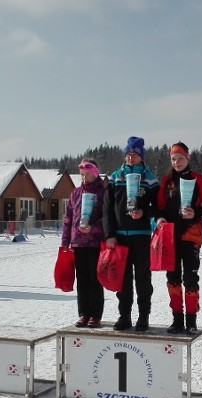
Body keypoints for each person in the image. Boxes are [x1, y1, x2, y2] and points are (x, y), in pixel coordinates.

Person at [155, 142, 202, 334]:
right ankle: (177, 319)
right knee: (172, 279)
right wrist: (159, 218)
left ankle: (191, 320)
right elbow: (159, 207)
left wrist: (196, 213)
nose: (177, 162)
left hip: (191, 237)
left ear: (187, 158)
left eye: (180, 158)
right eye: (173, 159)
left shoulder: (198, 179)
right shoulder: (166, 182)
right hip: (170, 238)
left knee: (190, 279)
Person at [103, 136, 160, 331]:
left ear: (141, 157)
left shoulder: (150, 179)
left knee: (143, 279)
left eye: (134, 155)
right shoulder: (115, 177)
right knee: (123, 280)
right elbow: (107, 208)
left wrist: (145, 213)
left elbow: (158, 207)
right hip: (119, 237)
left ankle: (143, 317)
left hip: (142, 235)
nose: (130, 158)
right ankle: (124, 316)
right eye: (128, 154)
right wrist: (109, 234)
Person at [61, 158, 107, 328]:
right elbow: (68, 219)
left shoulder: (102, 192)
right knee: (82, 280)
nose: (84, 178)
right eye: (81, 175)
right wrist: (65, 241)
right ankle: (83, 313)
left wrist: (94, 228)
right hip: (78, 243)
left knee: (95, 280)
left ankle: (95, 315)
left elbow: (108, 218)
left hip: (95, 243)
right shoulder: (76, 193)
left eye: (88, 174)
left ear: (95, 173)